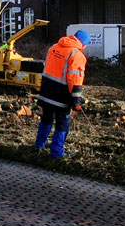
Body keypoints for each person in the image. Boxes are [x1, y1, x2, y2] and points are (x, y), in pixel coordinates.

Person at [35, 29, 91, 158]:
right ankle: (56, 153)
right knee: (62, 125)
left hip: (46, 92)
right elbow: (75, 79)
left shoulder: (54, 47)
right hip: (61, 96)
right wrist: (76, 102)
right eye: (86, 44)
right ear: (82, 42)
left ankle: (39, 146)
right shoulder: (77, 55)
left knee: (46, 119)